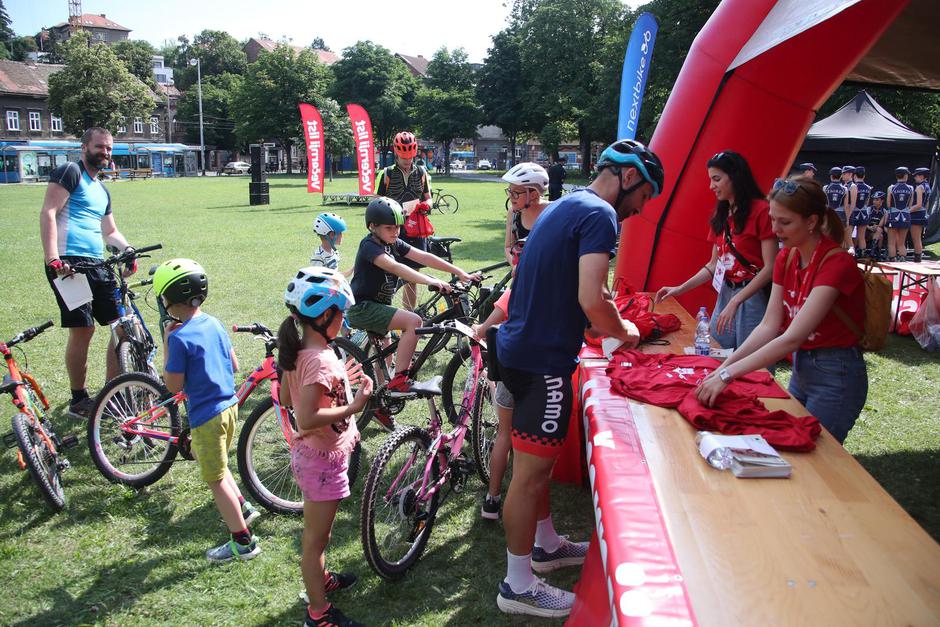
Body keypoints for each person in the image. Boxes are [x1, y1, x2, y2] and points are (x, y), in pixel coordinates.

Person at [494, 139, 664, 618]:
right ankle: (518, 585)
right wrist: (626, 331)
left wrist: (597, 319)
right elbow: (593, 299)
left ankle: (546, 545)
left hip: (521, 349)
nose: (640, 209)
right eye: (644, 196)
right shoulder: (601, 215)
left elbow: (576, 293)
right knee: (529, 477)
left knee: (536, 469)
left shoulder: (566, 205)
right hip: (542, 362)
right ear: (629, 177)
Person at [696, 177, 867, 444]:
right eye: (773, 219)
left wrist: (727, 374)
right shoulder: (787, 257)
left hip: (836, 373)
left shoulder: (837, 263)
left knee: (816, 454)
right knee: (793, 445)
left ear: (811, 222)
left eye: (785, 222)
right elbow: (768, 325)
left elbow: (791, 338)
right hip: (803, 368)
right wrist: (723, 368)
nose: (775, 229)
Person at [277, 267, 373, 627]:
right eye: (341, 313)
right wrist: (354, 405)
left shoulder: (303, 349)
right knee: (315, 541)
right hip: (319, 462)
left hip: (316, 459)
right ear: (322, 316)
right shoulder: (318, 359)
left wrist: (338, 381)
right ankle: (318, 614)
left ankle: (321, 579)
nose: (345, 320)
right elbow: (305, 417)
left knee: (321, 534)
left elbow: (287, 396)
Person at [156, 258, 262, 562]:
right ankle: (242, 506)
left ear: (169, 299)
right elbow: (235, 364)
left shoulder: (178, 338)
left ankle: (243, 542)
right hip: (230, 407)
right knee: (217, 463)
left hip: (206, 417)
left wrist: (168, 343)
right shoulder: (214, 323)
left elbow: (173, 385)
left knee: (214, 478)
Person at [346, 197, 478, 426]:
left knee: (385, 357)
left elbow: (423, 256)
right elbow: (396, 267)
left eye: (398, 227)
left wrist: (459, 272)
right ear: (372, 226)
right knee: (414, 321)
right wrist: (431, 281)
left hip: (378, 308)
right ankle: (400, 380)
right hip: (363, 308)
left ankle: (380, 404)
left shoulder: (392, 242)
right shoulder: (369, 246)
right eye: (389, 228)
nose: (396, 232)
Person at [40, 127, 137, 417]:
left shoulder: (102, 189)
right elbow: (48, 212)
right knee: (83, 329)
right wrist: (53, 258)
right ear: (84, 147)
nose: (105, 152)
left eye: (108, 148)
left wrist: (128, 249)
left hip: (97, 264)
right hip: (68, 263)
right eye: (99, 147)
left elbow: (110, 231)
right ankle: (79, 399)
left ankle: (111, 394)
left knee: (121, 327)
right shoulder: (70, 172)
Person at [655, 151, 775, 350]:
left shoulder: (762, 211)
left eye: (717, 179)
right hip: (727, 292)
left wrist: (736, 301)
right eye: (711, 179)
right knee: (717, 351)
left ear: (735, 177)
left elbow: (770, 268)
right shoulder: (722, 214)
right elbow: (713, 265)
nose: (711, 186)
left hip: (753, 296)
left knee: (751, 357)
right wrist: (679, 289)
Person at [471, 238, 526, 520]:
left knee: (504, 434)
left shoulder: (513, 291)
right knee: (528, 439)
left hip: (508, 370)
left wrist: (478, 328)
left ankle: (492, 499)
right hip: (537, 374)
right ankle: (522, 496)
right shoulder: (552, 290)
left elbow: (487, 325)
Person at [375, 131, 434, 311]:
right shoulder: (386, 173)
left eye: (410, 156)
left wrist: (426, 205)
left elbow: (428, 198)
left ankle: (409, 314)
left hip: (416, 229)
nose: (407, 160)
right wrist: (391, 210)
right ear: (396, 153)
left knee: (412, 277)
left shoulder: (421, 172)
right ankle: (387, 314)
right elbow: (376, 202)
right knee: (388, 275)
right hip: (392, 229)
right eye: (403, 157)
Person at [502, 163, 550, 265]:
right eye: (509, 191)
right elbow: (508, 247)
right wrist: (515, 266)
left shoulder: (553, 212)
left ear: (533, 194)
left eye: (516, 193)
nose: (510, 196)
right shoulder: (513, 213)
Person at [310, 212, 350, 277]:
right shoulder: (318, 257)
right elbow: (317, 279)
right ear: (332, 235)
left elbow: (336, 275)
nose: (342, 236)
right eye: (340, 233)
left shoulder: (334, 252)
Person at [887, 166, 913, 261]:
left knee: (891, 242)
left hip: (893, 215)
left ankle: (892, 259)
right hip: (905, 215)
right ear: (905, 175)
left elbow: (888, 204)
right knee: (902, 242)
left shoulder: (891, 188)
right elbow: (910, 205)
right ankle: (902, 258)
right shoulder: (911, 188)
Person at [849, 166, 872, 256]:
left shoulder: (853, 186)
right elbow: (867, 202)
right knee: (862, 237)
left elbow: (851, 202)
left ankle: (851, 254)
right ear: (864, 176)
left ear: (854, 175)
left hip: (853, 212)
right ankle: (862, 254)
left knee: (849, 236)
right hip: (863, 212)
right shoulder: (868, 188)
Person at [911, 167, 932, 262]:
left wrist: (907, 211)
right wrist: (925, 213)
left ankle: (917, 258)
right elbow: (927, 203)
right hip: (922, 214)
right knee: (918, 238)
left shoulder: (919, 187)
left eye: (916, 176)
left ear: (922, 176)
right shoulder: (927, 186)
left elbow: (918, 205)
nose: (915, 178)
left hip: (916, 215)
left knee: (916, 238)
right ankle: (918, 257)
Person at [865, 191, 888, 259]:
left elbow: (881, 225)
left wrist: (876, 227)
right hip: (867, 230)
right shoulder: (869, 209)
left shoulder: (884, 211)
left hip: (877, 231)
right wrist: (870, 227)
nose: (874, 201)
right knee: (879, 232)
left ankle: (875, 252)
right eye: (874, 199)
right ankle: (875, 253)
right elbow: (863, 222)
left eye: (877, 200)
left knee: (880, 234)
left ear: (882, 201)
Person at [841, 166, 857, 253]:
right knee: (842, 239)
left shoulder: (853, 186)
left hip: (849, 215)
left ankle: (851, 256)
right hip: (843, 215)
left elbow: (852, 204)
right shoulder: (843, 186)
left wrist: (847, 217)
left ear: (850, 174)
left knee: (848, 238)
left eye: (844, 174)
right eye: (842, 174)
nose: (842, 176)